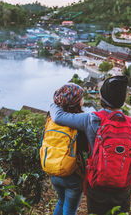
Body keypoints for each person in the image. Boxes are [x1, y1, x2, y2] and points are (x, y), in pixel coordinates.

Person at [50, 76, 131, 215]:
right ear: (122, 100)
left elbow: (58, 117)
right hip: (123, 185)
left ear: (101, 99)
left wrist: (56, 102)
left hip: (97, 184)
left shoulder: (92, 119)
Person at [49, 83, 88, 215]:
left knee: (61, 201)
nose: (83, 100)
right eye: (82, 97)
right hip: (72, 172)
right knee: (70, 209)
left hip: (53, 169)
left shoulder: (50, 118)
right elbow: (86, 147)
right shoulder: (78, 122)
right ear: (76, 101)